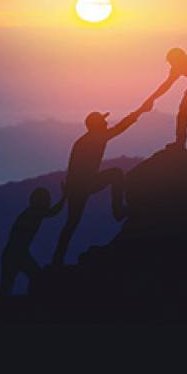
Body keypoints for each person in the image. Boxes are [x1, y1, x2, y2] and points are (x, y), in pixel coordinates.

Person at [51, 104, 150, 266]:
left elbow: (72, 167)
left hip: (77, 186)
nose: (106, 124)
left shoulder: (83, 141)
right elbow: (121, 127)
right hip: (85, 184)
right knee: (116, 174)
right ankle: (118, 210)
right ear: (96, 126)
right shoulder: (97, 138)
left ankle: (57, 259)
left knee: (71, 223)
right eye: (103, 122)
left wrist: (68, 191)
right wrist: (139, 112)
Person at [0, 186, 66, 298]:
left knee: (7, 287)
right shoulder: (34, 212)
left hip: (14, 253)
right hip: (17, 254)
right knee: (36, 278)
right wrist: (64, 197)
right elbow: (53, 212)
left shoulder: (30, 212)